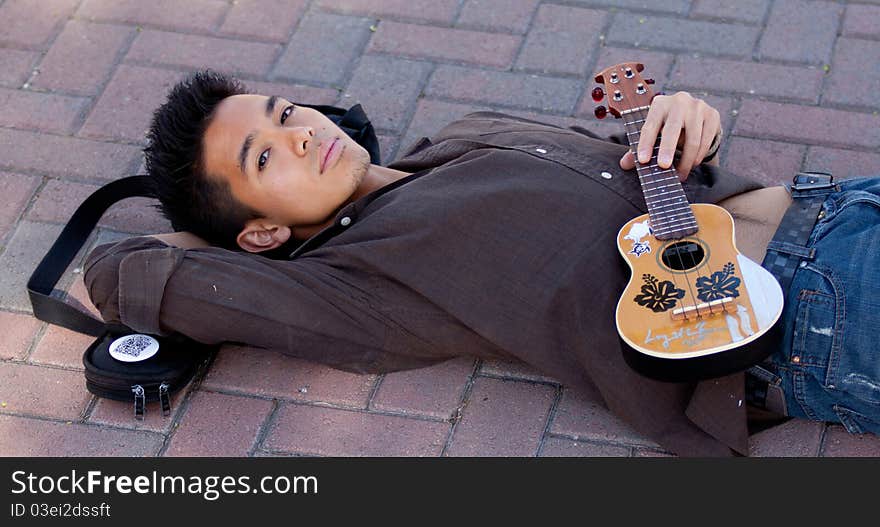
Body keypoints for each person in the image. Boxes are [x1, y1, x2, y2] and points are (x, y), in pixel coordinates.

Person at [83, 70, 880, 456]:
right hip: (821, 314)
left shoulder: (467, 133)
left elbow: (648, 166)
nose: (298, 132)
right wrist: (203, 240)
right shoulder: (357, 281)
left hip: (836, 205)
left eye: (284, 111)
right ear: (258, 236)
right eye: (264, 158)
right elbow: (127, 272)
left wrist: (685, 124)